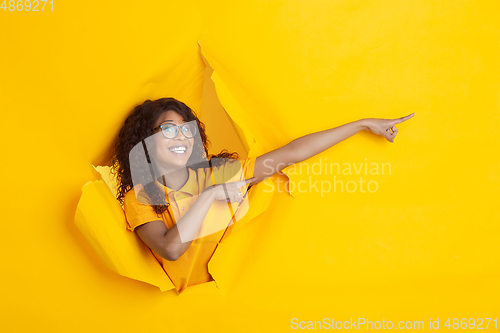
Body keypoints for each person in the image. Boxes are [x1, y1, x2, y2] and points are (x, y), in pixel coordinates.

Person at [110, 97, 414, 293]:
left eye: (186, 129)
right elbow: (170, 249)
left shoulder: (220, 172)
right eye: (167, 130)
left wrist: (362, 124)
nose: (181, 137)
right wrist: (208, 197)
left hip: (238, 298)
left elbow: (293, 153)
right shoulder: (140, 197)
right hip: (182, 315)